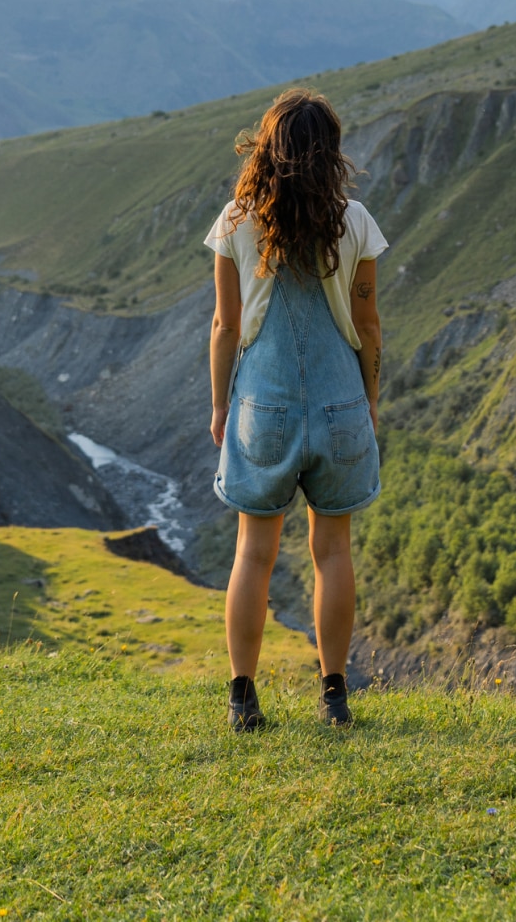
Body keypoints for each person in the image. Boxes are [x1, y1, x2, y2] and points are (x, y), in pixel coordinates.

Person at [205, 87, 386, 731]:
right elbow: (366, 321)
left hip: (264, 403)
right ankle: (334, 695)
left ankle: (242, 699)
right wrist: (367, 398)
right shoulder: (354, 221)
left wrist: (222, 405)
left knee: (253, 554)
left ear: (267, 148)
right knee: (332, 552)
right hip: (340, 402)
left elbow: (227, 326)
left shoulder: (235, 220)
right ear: (330, 153)